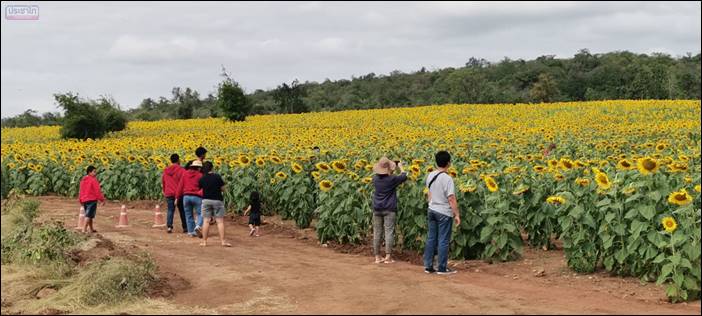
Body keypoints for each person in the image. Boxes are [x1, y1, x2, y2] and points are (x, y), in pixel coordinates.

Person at [423, 151, 461, 275]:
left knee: (431, 238)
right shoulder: (447, 179)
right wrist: (456, 214)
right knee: (443, 240)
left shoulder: (430, 175)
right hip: (443, 212)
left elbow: (429, 193)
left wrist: (431, 204)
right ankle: (442, 268)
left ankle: (428, 266)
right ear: (448, 163)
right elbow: (451, 198)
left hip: (432, 209)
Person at [371, 157, 407, 264]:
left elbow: (386, 176)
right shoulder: (392, 179)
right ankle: (388, 257)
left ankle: (377, 257)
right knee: (389, 232)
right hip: (389, 209)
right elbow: (404, 176)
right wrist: (400, 167)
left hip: (377, 208)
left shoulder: (375, 179)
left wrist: (390, 170)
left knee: (377, 232)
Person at [199, 161, 231, 247]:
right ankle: (223, 241)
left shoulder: (202, 178)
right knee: (220, 222)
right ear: (212, 168)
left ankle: (204, 242)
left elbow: (200, 188)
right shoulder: (217, 177)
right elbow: (223, 189)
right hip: (217, 200)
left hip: (206, 201)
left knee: (206, 221)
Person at [176, 159, 204, 238]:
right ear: (198, 168)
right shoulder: (200, 175)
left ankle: (191, 232)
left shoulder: (185, 174)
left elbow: (180, 186)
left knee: (188, 215)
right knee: (200, 213)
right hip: (197, 197)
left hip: (186, 197)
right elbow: (203, 187)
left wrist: (177, 198)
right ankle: (198, 226)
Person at [162, 154, 187, 234]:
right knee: (182, 210)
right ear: (178, 160)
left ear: (170, 161)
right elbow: (184, 181)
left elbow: (163, 181)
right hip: (179, 193)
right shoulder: (182, 170)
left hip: (169, 192)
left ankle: (169, 227)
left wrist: (164, 190)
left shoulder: (166, 170)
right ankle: (185, 227)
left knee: (170, 210)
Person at [78, 165, 105, 234]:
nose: (95, 173)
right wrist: (102, 199)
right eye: (94, 172)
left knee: (90, 215)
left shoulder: (83, 180)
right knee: (89, 215)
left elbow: (81, 190)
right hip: (92, 199)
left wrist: (80, 199)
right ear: (89, 172)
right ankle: (84, 229)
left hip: (84, 199)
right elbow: (97, 191)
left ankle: (91, 229)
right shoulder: (93, 180)